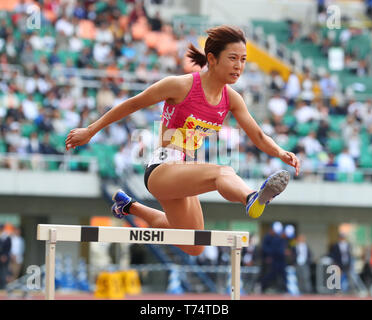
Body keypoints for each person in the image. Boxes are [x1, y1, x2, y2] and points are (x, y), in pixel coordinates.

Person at [66, 25, 300, 256]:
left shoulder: (232, 99)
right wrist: (90, 130)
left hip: (184, 172)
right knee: (223, 171)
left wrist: (280, 152)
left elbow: (258, 135)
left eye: (243, 59)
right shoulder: (180, 85)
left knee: (195, 245)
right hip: (162, 169)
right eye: (232, 58)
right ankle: (251, 198)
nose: (239, 66)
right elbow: (133, 104)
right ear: (212, 58)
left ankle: (128, 206)